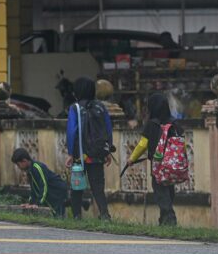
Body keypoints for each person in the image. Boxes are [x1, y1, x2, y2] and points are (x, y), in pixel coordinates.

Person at [124, 93, 181, 226]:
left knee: (160, 192)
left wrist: (132, 159)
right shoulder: (174, 123)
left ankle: (170, 219)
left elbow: (143, 144)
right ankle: (163, 221)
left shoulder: (152, 124)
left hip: (158, 165)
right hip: (172, 164)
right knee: (169, 191)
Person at [65, 77, 113, 220]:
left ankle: (77, 216)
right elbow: (108, 129)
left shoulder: (75, 108)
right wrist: (108, 150)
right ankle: (104, 214)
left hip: (80, 154)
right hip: (97, 153)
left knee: (77, 186)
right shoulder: (101, 107)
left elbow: (71, 132)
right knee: (98, 186)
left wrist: (70, 153)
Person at [11, 148, 68, 217]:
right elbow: (34, 189)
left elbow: (43, 185)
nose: (18, 167)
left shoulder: (37, 167)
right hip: (50, 193)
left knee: (58, 214)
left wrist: (38, 203)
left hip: (57, 191)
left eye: (18, 164)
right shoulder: (30, 171)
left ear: (24, 161)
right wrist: (30, 203)